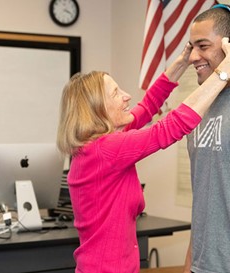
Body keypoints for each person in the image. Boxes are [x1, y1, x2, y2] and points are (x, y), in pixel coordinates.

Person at [56, 27, 230, 272]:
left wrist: (181, 62)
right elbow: (170, 127)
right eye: (116, 93)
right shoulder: (107, 149)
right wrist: (222, 74)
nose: (127, 96)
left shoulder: (97, 145)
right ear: (97, 110)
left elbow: (148, 107)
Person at [183, 4, 230, 273]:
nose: (193, 57)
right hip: (203, 265)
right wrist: (190, 263)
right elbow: (205, 199)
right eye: (192, 47)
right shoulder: (199, 107)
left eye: (203, 46)